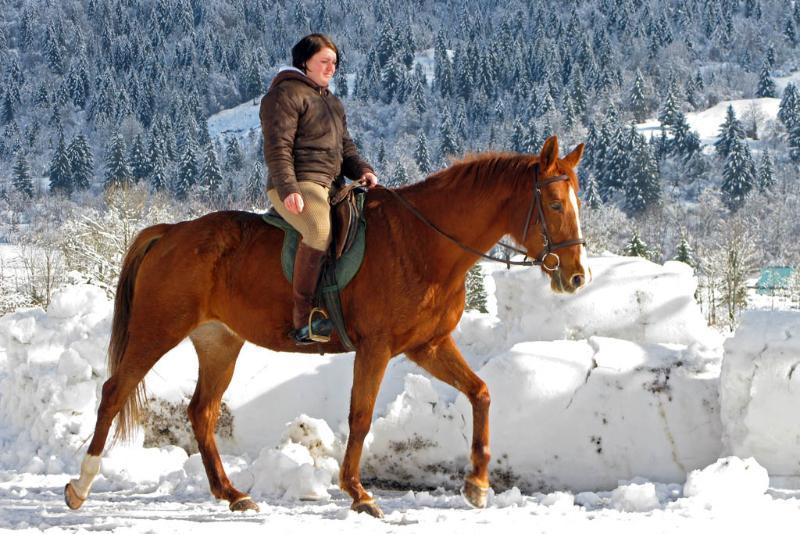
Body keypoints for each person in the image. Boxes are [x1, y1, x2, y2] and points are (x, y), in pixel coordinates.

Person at [260, 34, 378, 345]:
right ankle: (303, 320)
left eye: (334, 63)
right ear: (304, 62)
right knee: (318, 229)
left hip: (333, 185)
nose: (331, 67)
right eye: (324, 61)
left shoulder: (332, 102)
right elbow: (277, 148)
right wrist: (288, 189)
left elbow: (346, 148)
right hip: (299, 183)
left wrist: (363, 170)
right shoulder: (284, 94)